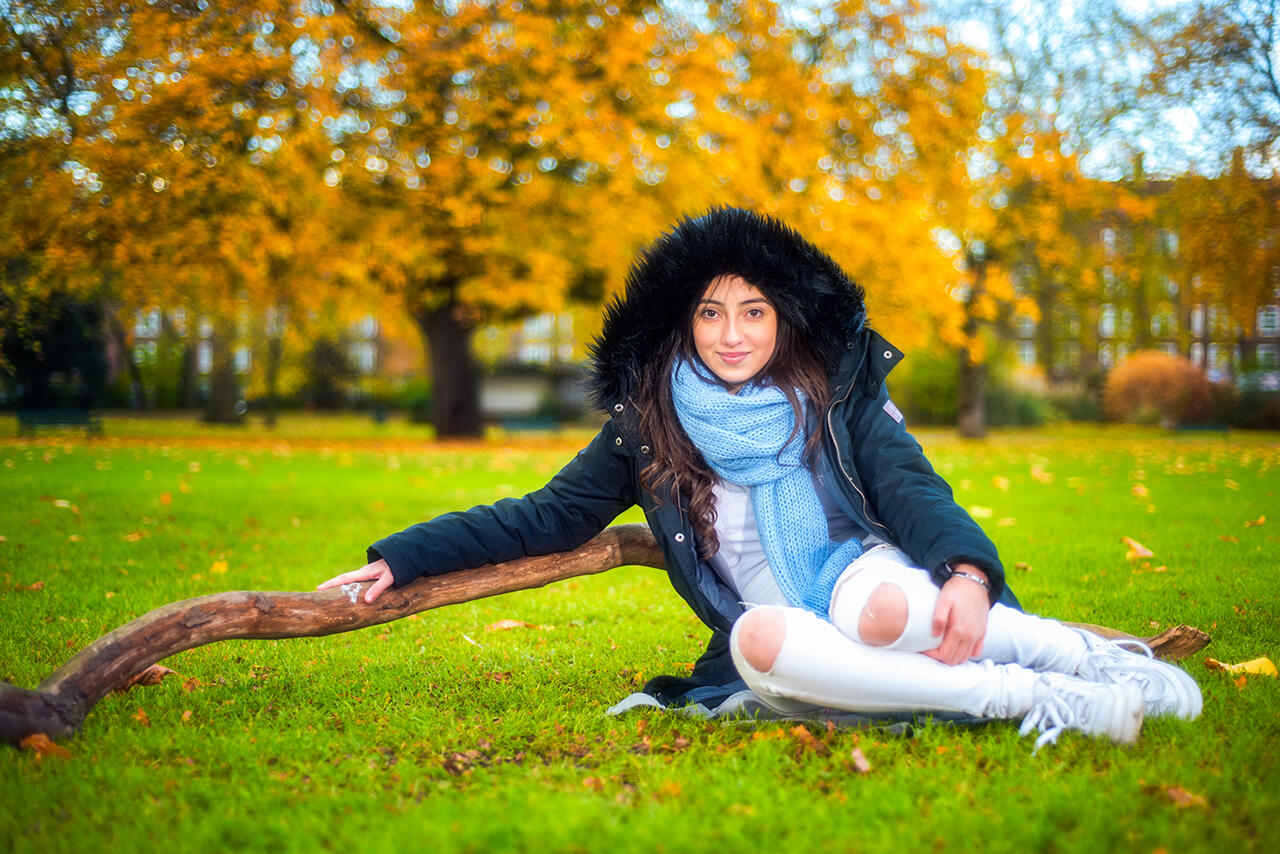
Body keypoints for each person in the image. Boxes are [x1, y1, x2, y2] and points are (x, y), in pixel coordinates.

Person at [319, 207, 1201, 747]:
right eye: (710, 312)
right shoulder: (647, 420)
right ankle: (1029, 698)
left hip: (858, 576)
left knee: (882, 609)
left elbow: (910, 486)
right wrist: (405, 555)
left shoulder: (833, 392)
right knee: (758, 649)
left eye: (753, 310)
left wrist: (967, 574)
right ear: (683, 321)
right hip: (777, 621)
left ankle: (1087, 659)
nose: (731, 333)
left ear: (782, 318)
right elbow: (543, 516)